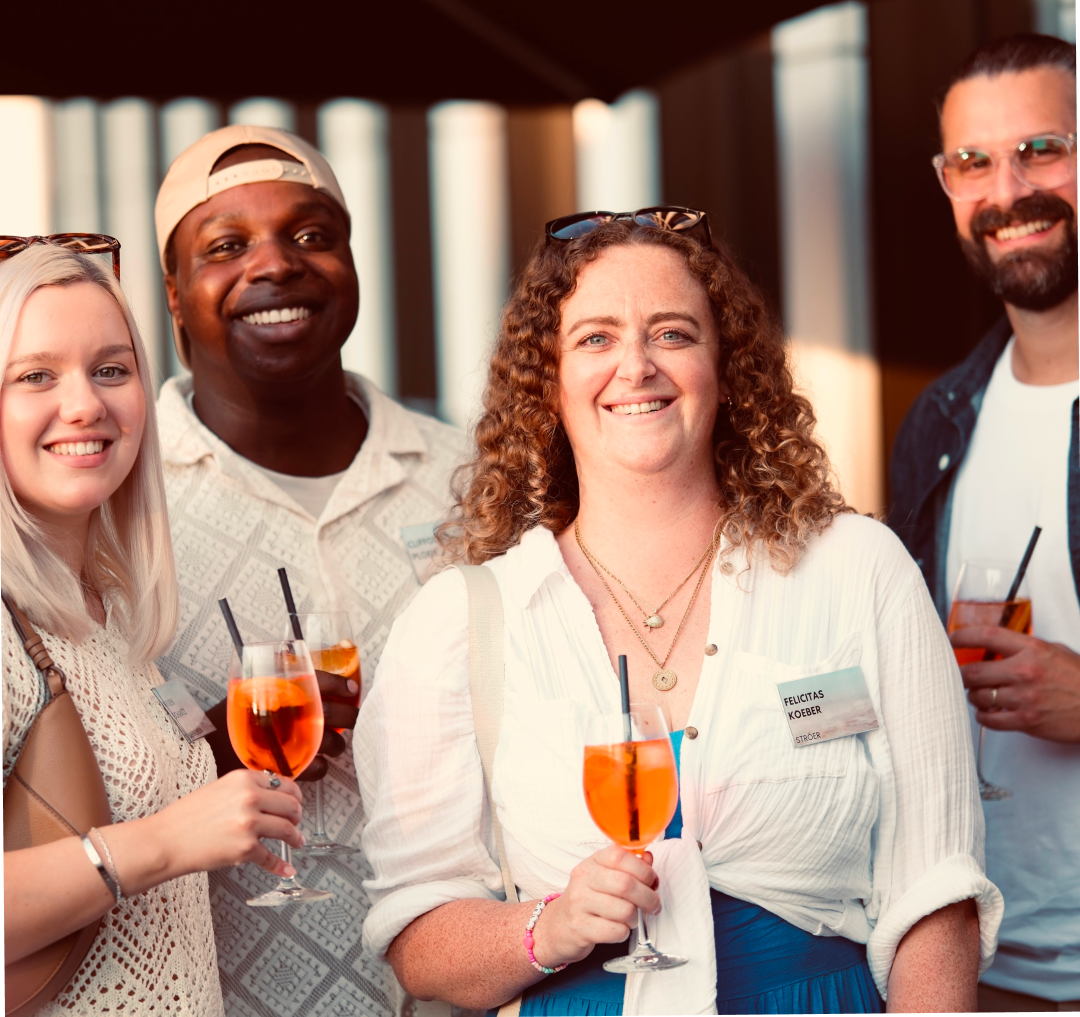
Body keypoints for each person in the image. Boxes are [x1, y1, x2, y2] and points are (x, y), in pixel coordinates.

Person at [356, 207, 1003, 1015]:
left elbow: (935, 885)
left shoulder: (857, 570)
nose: (636, 366)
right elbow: (418, 935)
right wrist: (545, 931)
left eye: (672, 333)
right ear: (545, 383)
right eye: (595, 338)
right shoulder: (461, 621)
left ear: (726, 368)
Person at [153, 125, 465, 1017]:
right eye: (225, 246)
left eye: (310, 234)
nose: (276, 265)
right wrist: (204, 758)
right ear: (175, 297)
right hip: (218, 991)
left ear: (353, 267)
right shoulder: (111, 508)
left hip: (460, 992)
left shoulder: (475, 479)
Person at [0, 244, 309, 1015]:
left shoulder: (103, 612)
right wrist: (168, 842)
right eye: (36, 375)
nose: (85, 406)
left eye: (111, 369)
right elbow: (163, 839)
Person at [890, 33, 1080, 1011]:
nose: (1008, 189)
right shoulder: (938, 423)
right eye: (973, 162)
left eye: (1043, 149)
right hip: (982, 971)